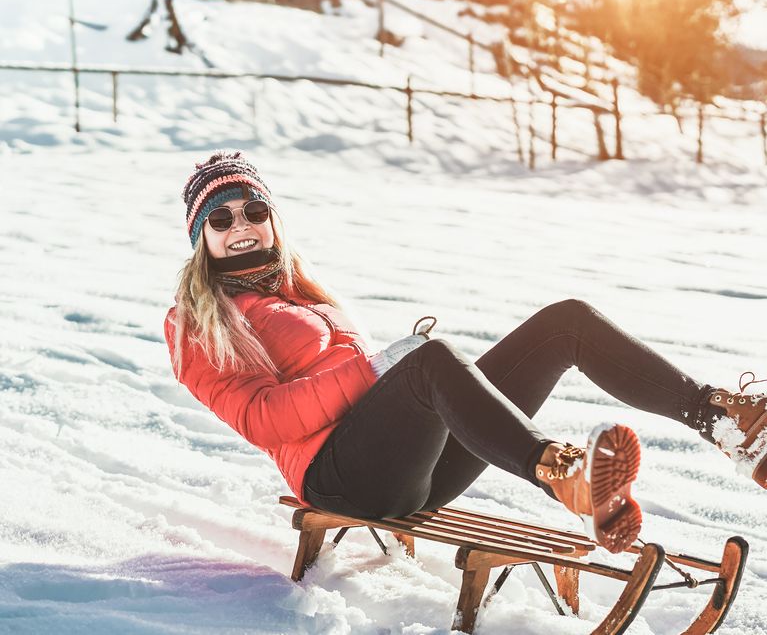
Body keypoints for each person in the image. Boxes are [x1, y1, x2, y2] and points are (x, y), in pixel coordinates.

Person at [164, 151, 767, 555]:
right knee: (430, 362)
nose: (242, 224)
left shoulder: (298, 292)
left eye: (255, 210)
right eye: (221, 217)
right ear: (202, 238)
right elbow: (263, 420)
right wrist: (377, 369)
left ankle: (721, 420)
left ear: (273, 220)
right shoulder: (198, 322)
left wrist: (385, 376)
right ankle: (566, 475)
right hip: (341, 480)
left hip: (409, 465)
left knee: (567, 324)